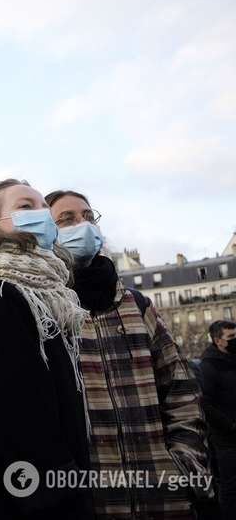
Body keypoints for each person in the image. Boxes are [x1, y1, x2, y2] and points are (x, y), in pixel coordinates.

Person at [47, 189, 208, 519]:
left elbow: (181, 388)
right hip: (89, 501)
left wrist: (184, 462)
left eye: (88, 216)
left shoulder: (137, 305)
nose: (83, 225)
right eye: (67, 219)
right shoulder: (44, 311)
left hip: (165, 495)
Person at [0, 179, 93, 519]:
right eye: (25, 206)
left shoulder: (41, 290)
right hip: (30, 500)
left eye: (42, 206)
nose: (41, 214)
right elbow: (10, 416)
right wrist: (56, 496)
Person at [200, 320, 236, 518]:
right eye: (231, 337)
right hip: (226, 438)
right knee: (230, 487)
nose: (235, 340)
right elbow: (206, 404)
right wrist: (230, 425)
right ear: (218, 341)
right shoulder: (209, 366)